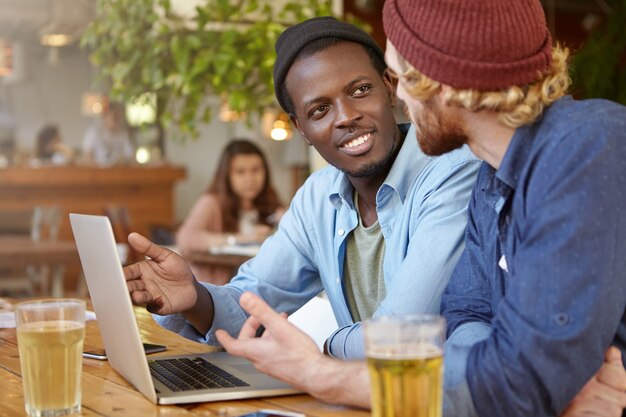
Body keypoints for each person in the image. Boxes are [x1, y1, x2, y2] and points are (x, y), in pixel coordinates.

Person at [213, 3, 626, 417]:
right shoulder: (491, 180)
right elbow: (466, 323)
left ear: (442, 79)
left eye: (402, 77)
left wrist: (321, 372)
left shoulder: (589, 147)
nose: (403, 97)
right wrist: (515, 386)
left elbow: (522, 380)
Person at [124, 17, 480, 360]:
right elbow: (253, 302)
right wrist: (195, 299)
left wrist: (319, 350)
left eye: (360, 90)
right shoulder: (318, 198)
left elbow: (403, 334)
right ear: (302, 130)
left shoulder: (451, 173)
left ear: (389, 87)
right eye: (320, 109)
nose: (345, 116)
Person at [176, 139, 284, 285]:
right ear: (227, 175)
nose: (250, 179)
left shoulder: (271, 201)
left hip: (262, 288)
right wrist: (241, 238)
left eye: (256, 170)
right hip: (221, 289)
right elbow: (186, 239)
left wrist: (285, 223)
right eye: (240, 172)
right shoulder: (211, 202)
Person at [82, 101, 134, 166]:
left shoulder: (123, 133)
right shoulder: (94, 131)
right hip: (98, 172)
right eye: (113, 116)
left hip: (118, 172)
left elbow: (130, 156)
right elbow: (87, 155)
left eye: (118, 116)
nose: (116, 119)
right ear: (105, 116)